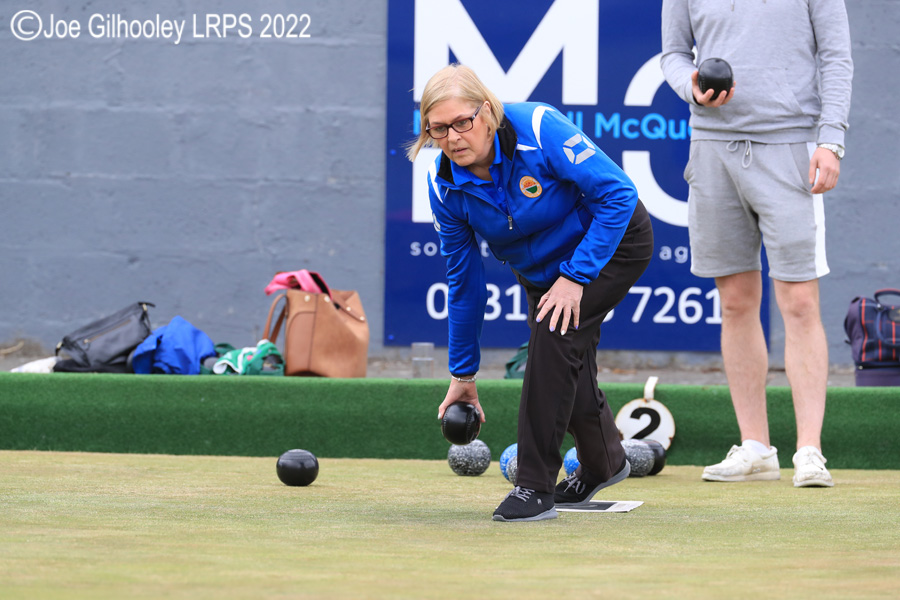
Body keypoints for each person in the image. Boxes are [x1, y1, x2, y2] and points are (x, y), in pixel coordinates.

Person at [407, 64, 653, 521]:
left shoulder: (539, 128)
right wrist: (464, 375)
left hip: (613, 242)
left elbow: (618, 195)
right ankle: (604, 460)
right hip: (543, 274)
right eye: (438, 128)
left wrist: (577, 277)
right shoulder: (444, 186)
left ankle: (534, 486)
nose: (454, 137)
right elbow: (464, 283)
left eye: (463, 121)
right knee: (566, 357)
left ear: (487, 111)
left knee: (552, 340)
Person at [660, 0, 853, 487]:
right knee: (736, 302)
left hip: (792, 147)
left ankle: (809, 450)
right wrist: (692, 87)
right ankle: (756, 447)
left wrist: (831, 141)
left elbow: (836, 56)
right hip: (710, 148)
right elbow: (673, 55)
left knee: (800, 301)